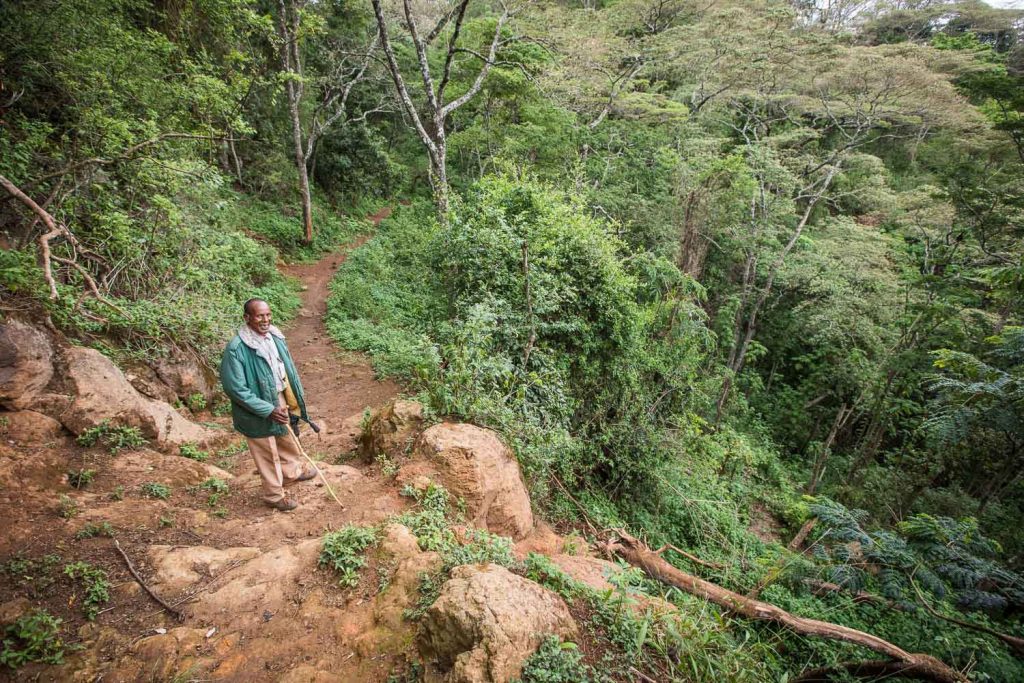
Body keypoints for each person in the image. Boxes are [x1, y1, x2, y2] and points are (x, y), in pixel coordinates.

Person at [220, 298, 317, 511]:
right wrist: (268, 409)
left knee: (286, 435)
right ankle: (273, 495)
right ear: (247, 318)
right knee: (266, 449)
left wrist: (286, 399)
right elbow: (235, 389)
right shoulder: (237, 348)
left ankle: (292, 472)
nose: (265, 319)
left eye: (267, 315)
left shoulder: (274, 335)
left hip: (278, 395)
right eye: (259, 316)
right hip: (255, 406)